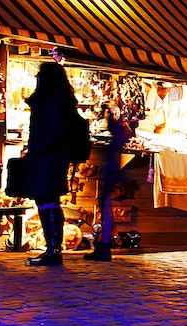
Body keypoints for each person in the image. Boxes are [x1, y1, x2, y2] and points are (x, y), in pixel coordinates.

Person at [23, 62, 79, 266]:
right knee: (47, 199)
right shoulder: (59, 100)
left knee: (47, 199)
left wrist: (37, 150)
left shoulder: (53, 101)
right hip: (52, 155)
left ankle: (53, 249)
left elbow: (53, 132)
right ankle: (52, 248)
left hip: (48, 156)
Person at [84, 103, 132, 262]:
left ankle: (104, 247)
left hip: (111, 172)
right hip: (112, 171)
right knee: (105, 209)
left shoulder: (116, 131)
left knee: (106, 208)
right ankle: (103, 247)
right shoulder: (118, 132)